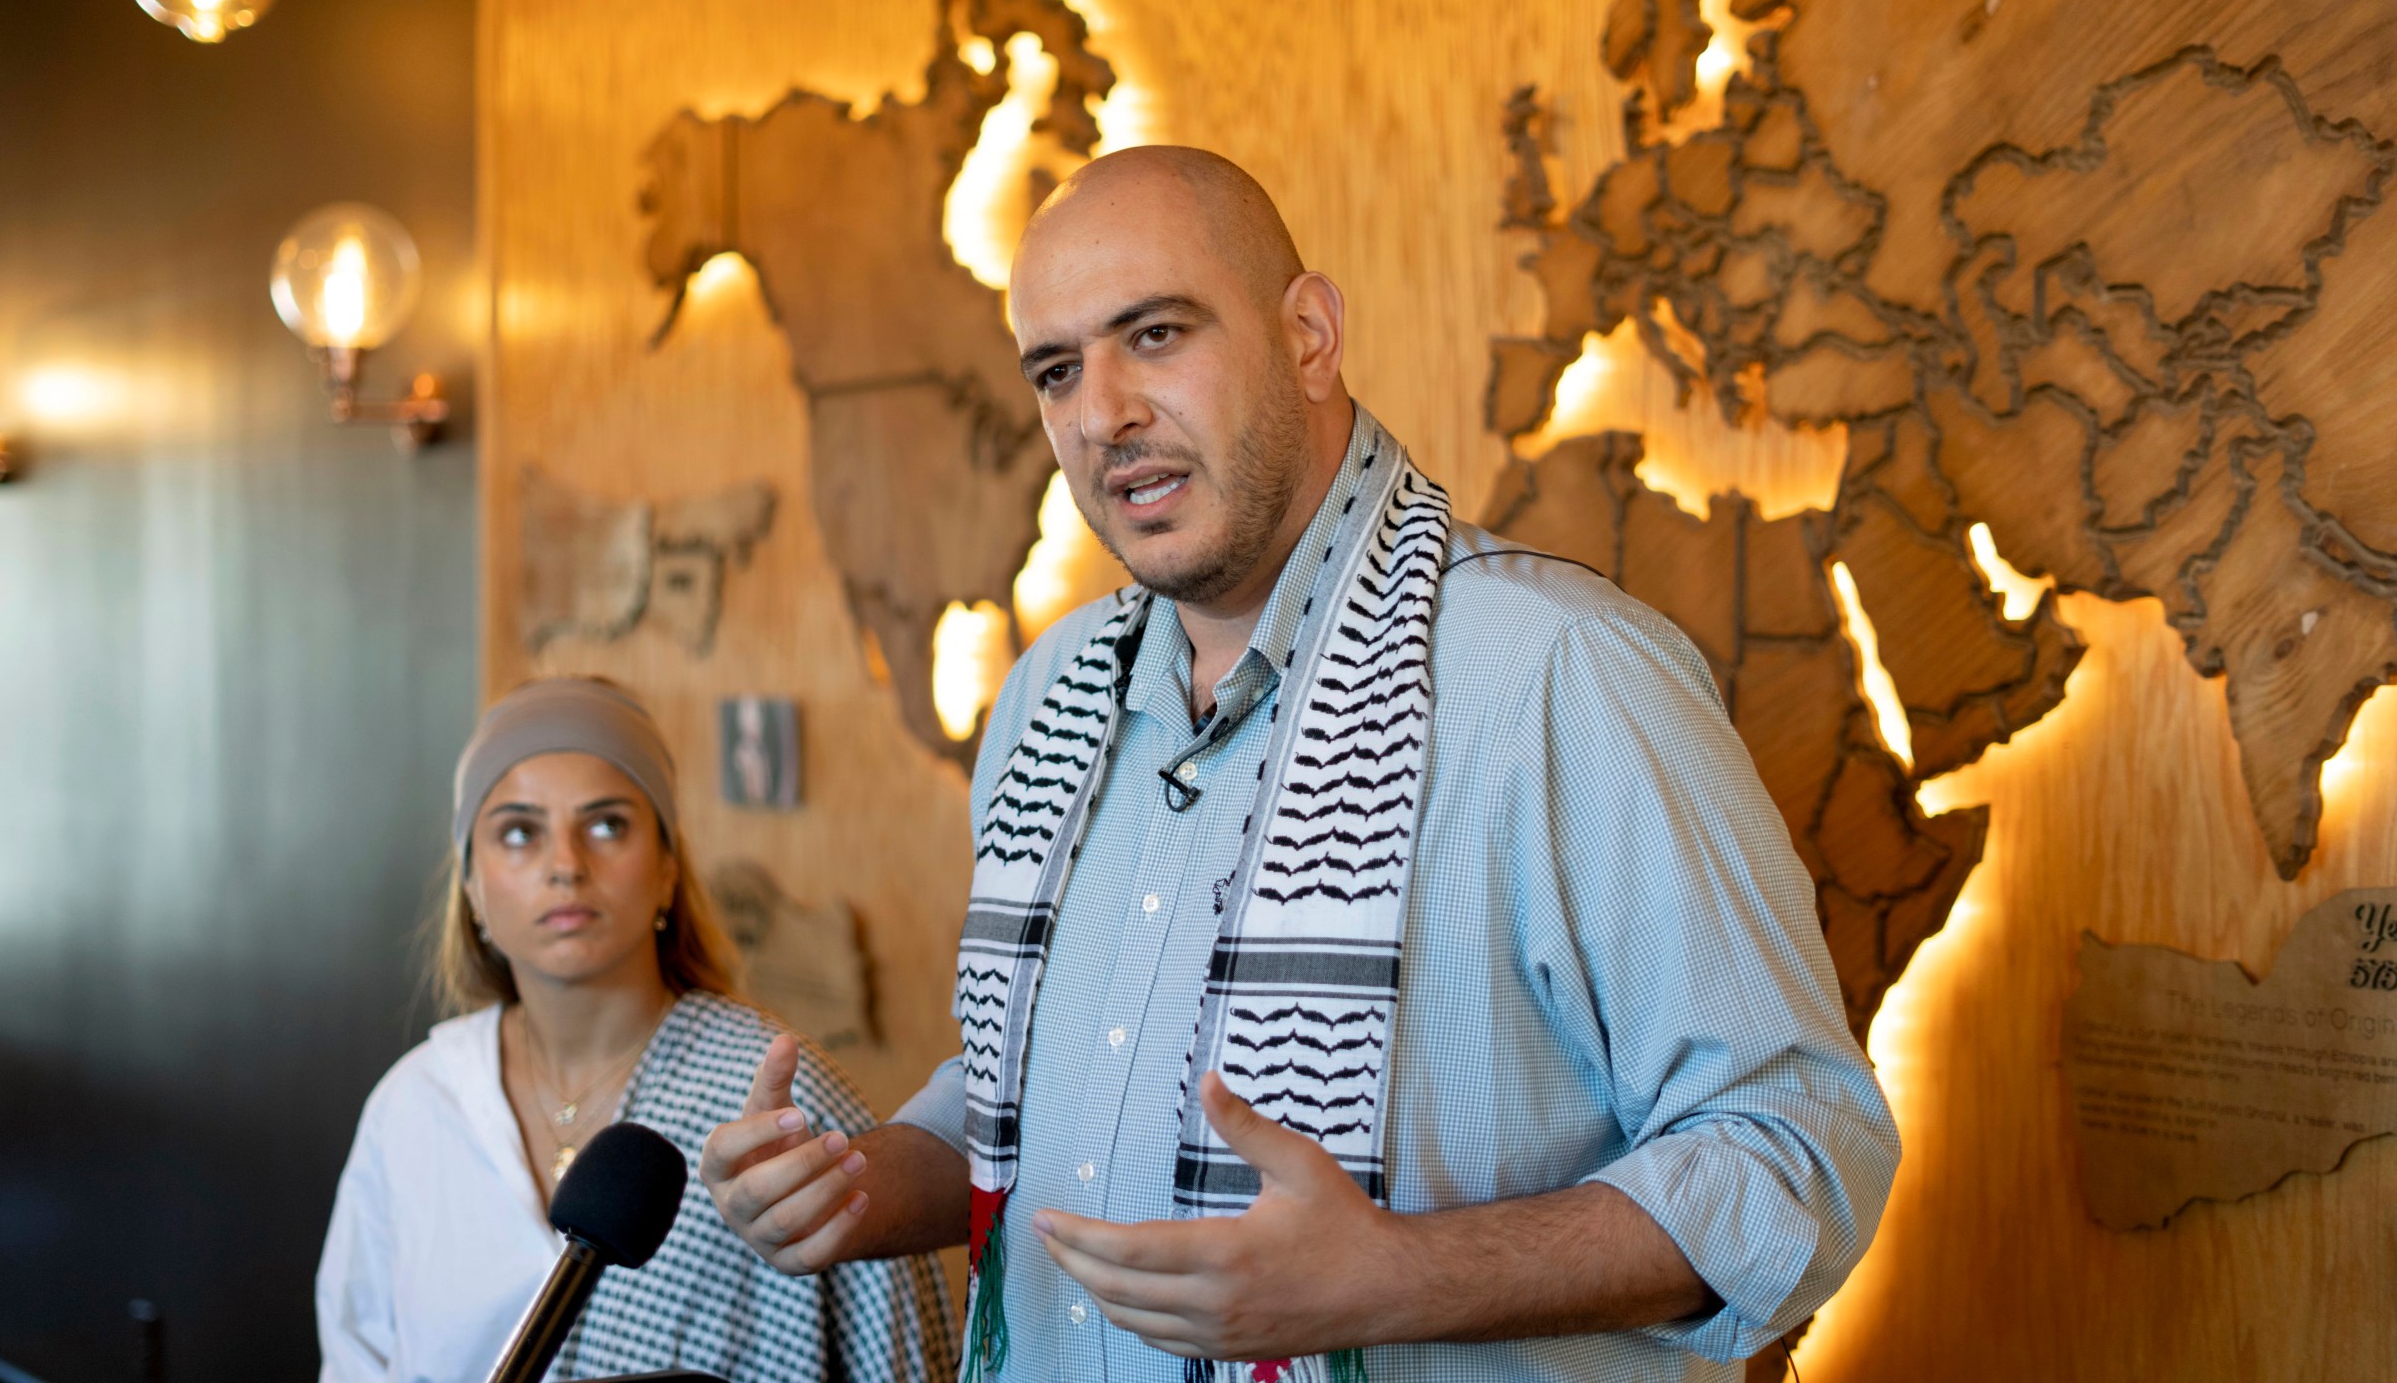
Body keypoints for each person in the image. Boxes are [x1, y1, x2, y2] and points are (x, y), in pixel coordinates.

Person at [699, 146, 1901, 1382]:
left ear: (1310, 335)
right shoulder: (1046, 698)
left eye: (1155, 335)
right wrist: (862, 1189)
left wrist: (1394, 1278)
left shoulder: (1562, 674)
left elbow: (1795, 1150)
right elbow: (1045, 1101)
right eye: (1057, 370)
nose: (1100, 412)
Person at [315, 677, 957, 1383]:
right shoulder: (412, 1108)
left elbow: (901, 1355)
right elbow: (355, 1361)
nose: (566, 866)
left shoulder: (772, 1107)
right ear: (472, 886)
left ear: (666, 871)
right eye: (520, 832)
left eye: (606, 825)